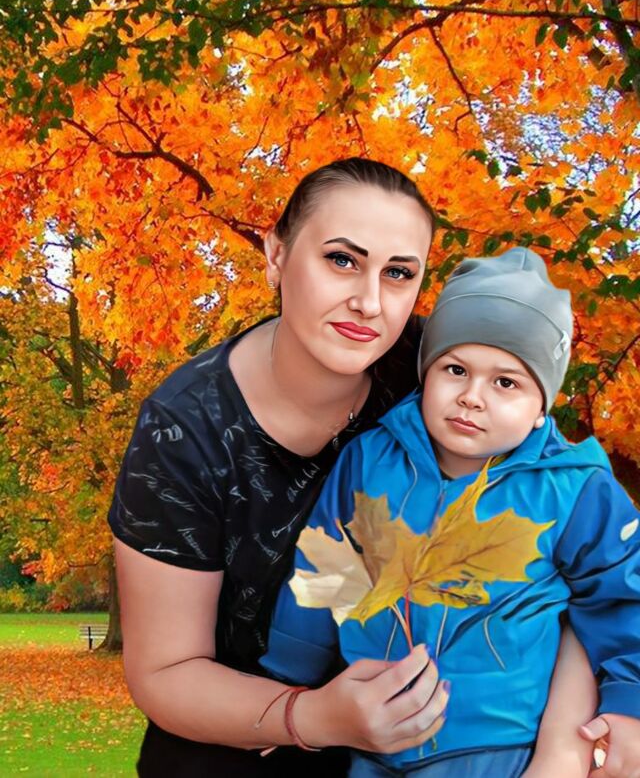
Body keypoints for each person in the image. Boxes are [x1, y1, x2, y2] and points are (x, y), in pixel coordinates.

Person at [109, 161, 598, 777]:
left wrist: (563, 750)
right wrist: (314, 717)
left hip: (437, 750)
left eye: (398, 273)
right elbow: (164, 672)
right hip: (238, 743)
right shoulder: (184, 432)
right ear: (277, 255)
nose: (368, 302)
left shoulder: (450, 374)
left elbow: (578, 558)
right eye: (342, 260)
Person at [261, 247, 640, 778]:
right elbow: (325, 564)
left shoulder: (573, 488)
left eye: (506, 383)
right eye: (456, 370)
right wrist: (288, 673)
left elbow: (623, 597)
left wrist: (629, 704)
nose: (472, 397)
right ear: (427, 374)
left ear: (541, 407)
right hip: (372, 738)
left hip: (501, 749)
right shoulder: (371, 459)